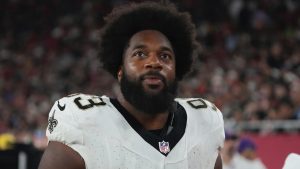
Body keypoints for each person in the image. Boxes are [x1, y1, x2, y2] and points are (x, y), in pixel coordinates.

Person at [38, 1, 225, 169]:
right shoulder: (83, 121)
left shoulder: (204, 122)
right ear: (120, 70)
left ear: (177, 70)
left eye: (165, 56)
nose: (154, 62)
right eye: (140, 54)